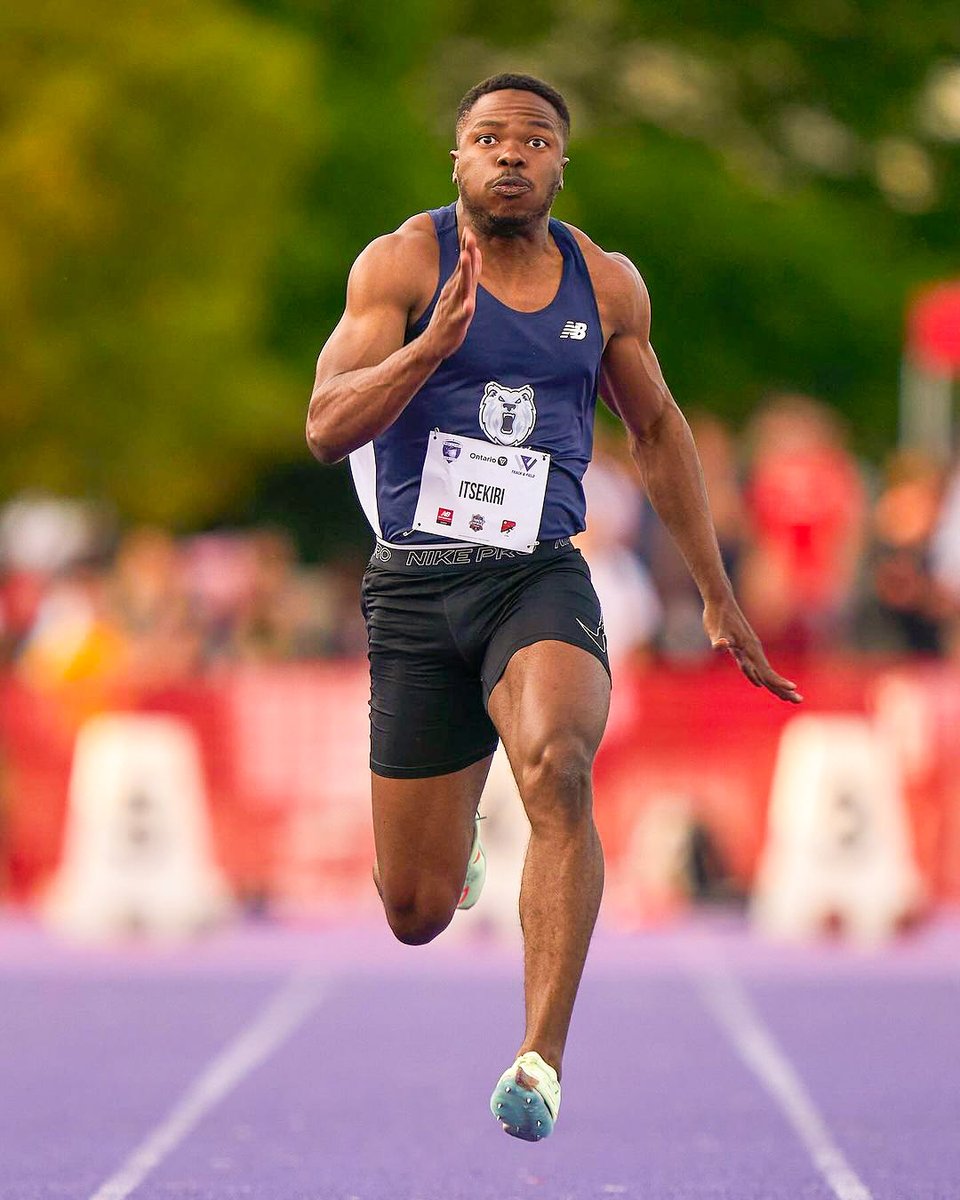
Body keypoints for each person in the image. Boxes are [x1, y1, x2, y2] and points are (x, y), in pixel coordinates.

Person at [306, 73, 801, 1142]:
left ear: (561, 166)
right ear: (457, 159)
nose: (511, 153)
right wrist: (428, 350)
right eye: (489, 137)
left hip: (537, 571)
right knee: (414, 912)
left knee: (560, 766)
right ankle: (454, 842)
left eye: (534, 139)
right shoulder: (401, 263)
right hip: (415, 581)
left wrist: (717, 593)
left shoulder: (605, 283)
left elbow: (657, 430)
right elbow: (324, 427)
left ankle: (541, 1058)